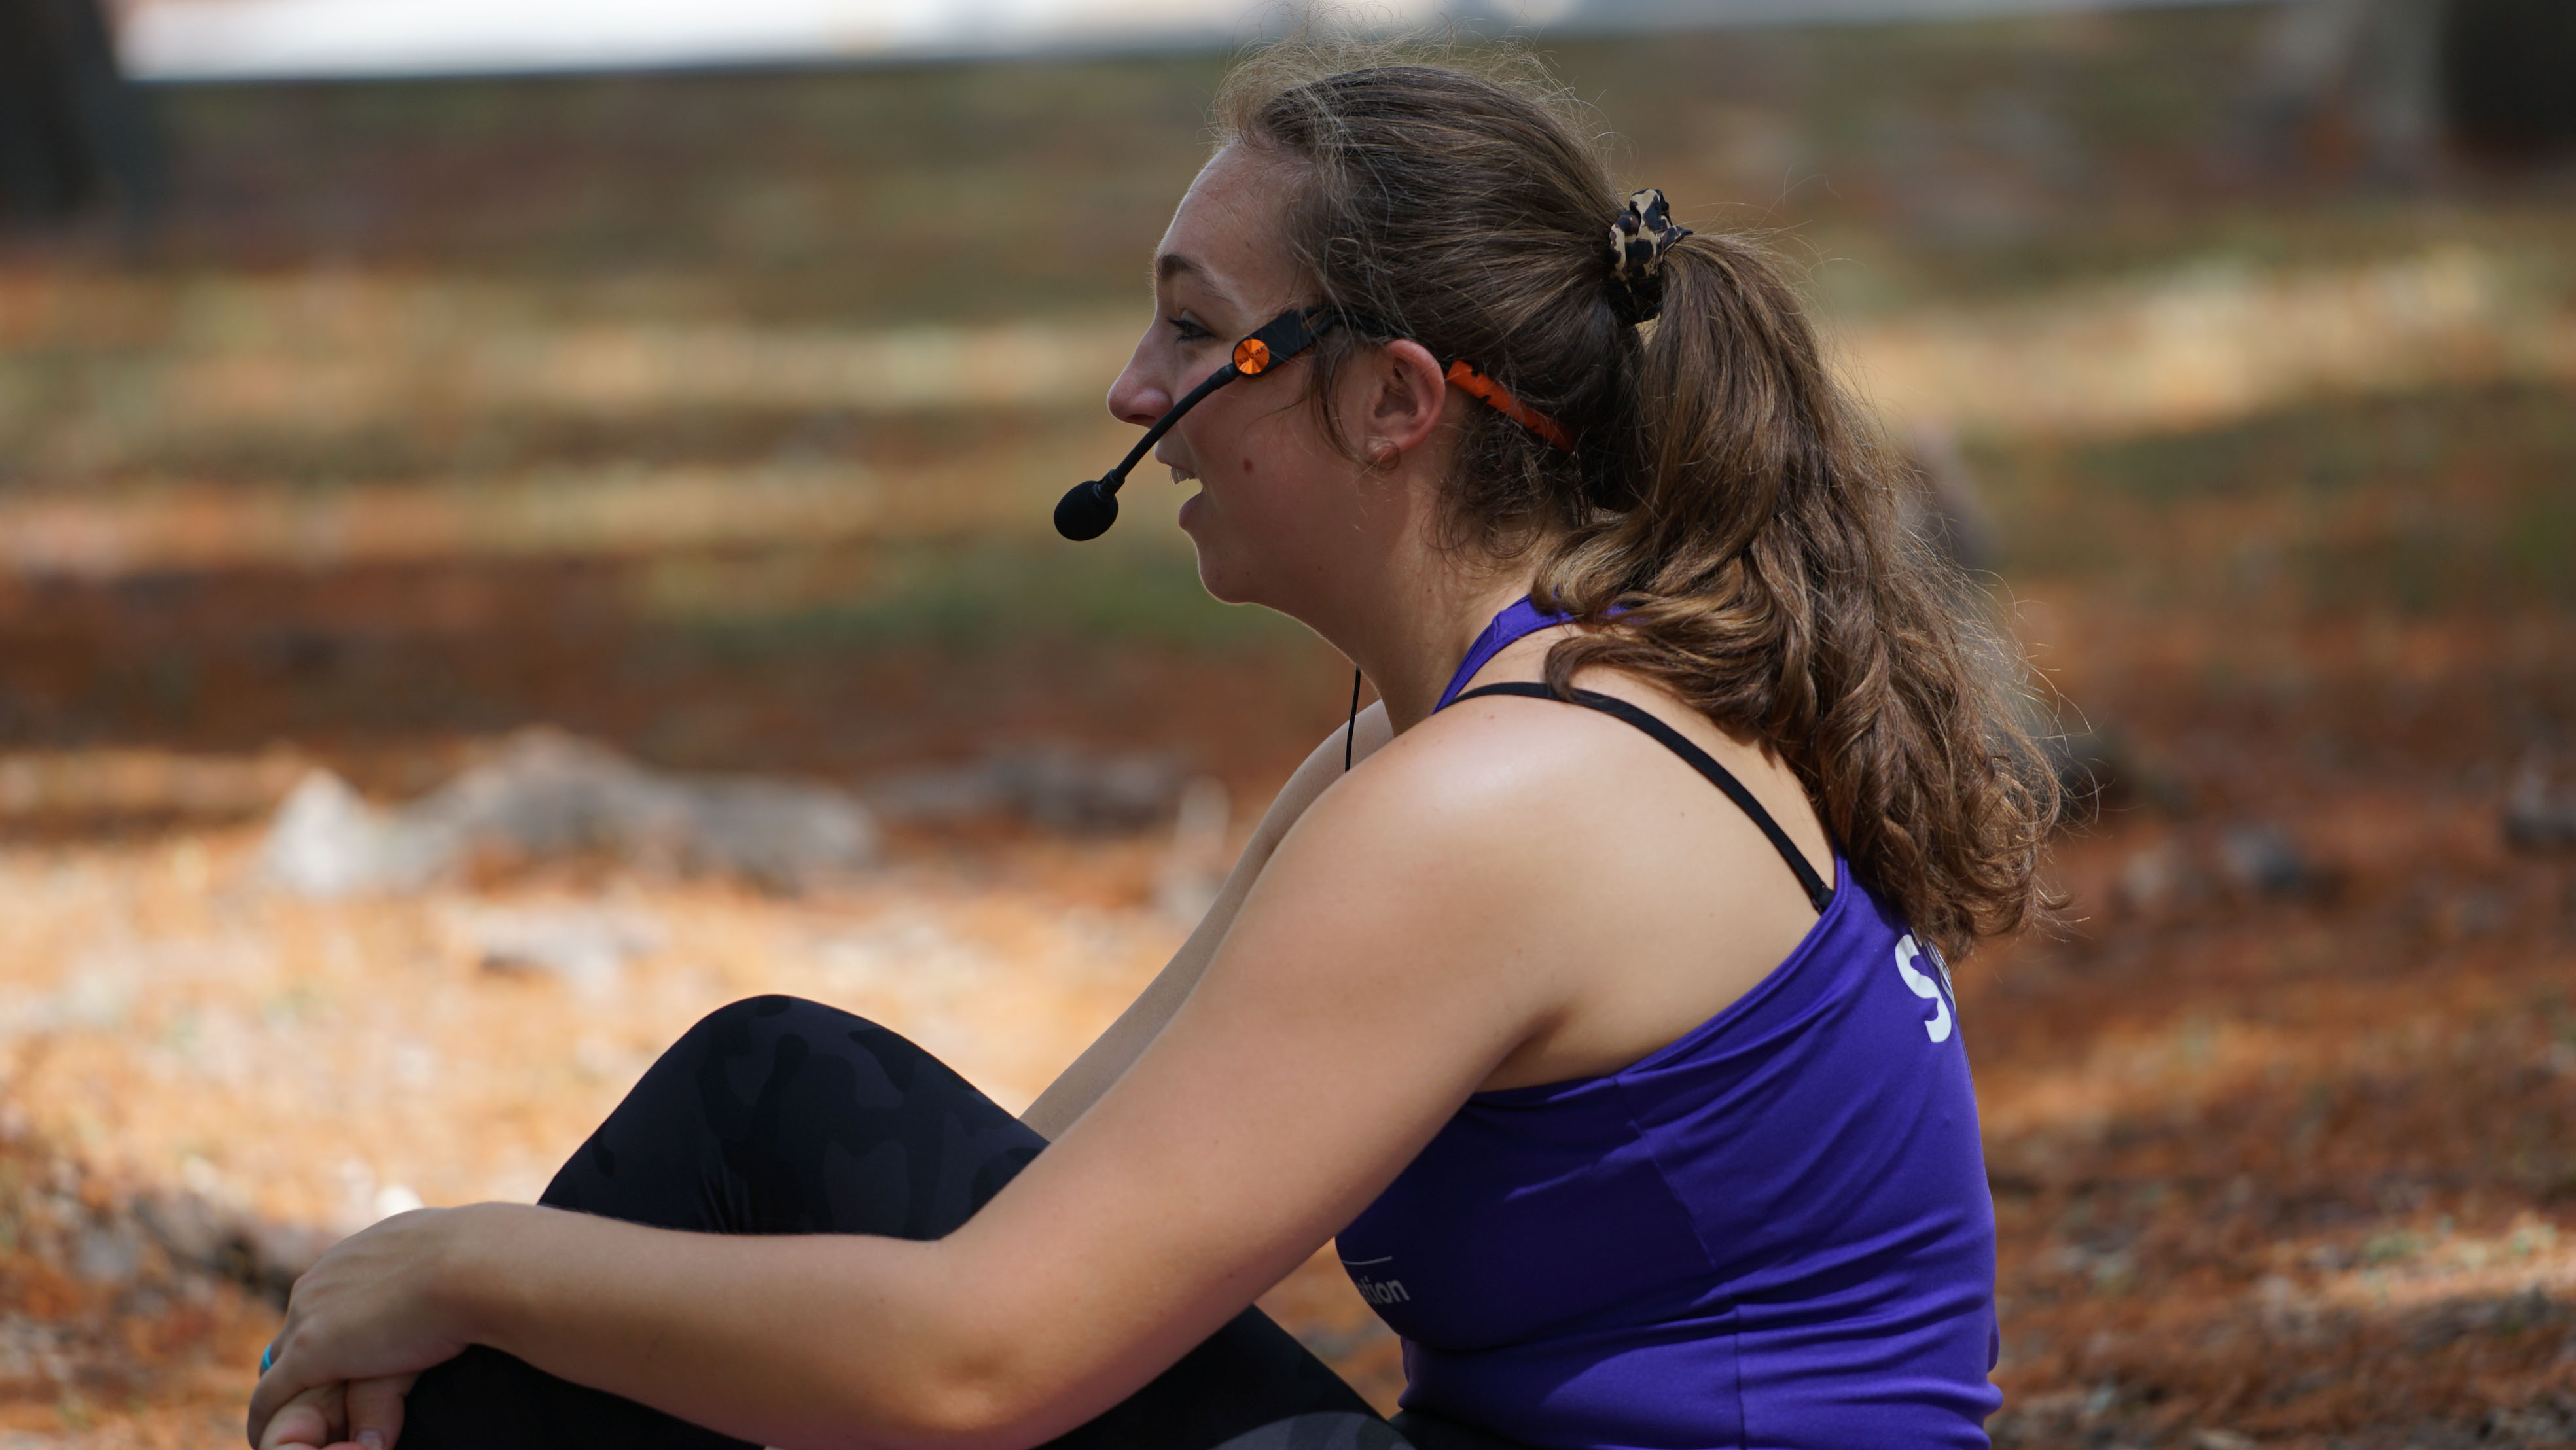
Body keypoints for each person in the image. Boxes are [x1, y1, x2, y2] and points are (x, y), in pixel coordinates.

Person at [247, 46, 2055, 1450]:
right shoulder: (1432, 758)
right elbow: (1012, 1208)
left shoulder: (1505, 807)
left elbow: (982, 1364)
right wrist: (482, 1322)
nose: (1131, 394)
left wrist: (460, 1264)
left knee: (765, 1099)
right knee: (784, 1128)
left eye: (1195, 330)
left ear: (1392, 401)